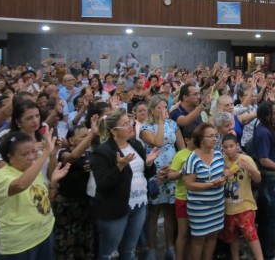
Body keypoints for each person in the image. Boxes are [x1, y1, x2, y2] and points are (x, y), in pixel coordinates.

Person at [90, 110, 159, 260]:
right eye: (125, 124)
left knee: (129, 250)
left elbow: (147, 173)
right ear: (114, 131)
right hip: (115, 207)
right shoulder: (103, 152)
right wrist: (119, 167)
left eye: (130, 122)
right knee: (107, 253)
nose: (130, 126)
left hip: (139, 203)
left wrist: (148, 163)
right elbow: (102, 185)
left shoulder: (135, 144)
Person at [0, 132, 70, 258]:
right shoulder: (0, 176)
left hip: (45, 233)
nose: (32, 157)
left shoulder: (33, 171)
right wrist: (45, 154)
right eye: (24, 154)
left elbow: (47, 201)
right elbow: (20, 185)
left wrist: (53, 182)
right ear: (9, 156)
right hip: (21, 243)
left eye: (33, 152)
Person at [140, 95, 184, 260]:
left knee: (169, 211)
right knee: (154, 211)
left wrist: (175, 164)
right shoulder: (146, 127)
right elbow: (157, 143)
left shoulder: (173, 124)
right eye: (159, 107)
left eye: (165, 107)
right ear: (152, 109)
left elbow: (182, 148)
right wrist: (159, 122)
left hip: (171, 169)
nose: (163, 110)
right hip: (155, 171)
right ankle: (151, 247)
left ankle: (169, 246)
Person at [54, 120, 99, 260]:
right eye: (83, 136)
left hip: (85, 204)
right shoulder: (63, 152)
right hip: (67, 205)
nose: (87, 139)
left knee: (85, 241)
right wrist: (91, 135)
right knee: (67, 244)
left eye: (88, 135)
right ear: (72, 140)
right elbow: (72, 158)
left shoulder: (90, 155)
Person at [184, 123, 230, 260]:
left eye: (215, 136)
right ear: (201, 138)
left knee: (213, 236)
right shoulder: (192, 158)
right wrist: (210, 185)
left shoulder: (218, 153)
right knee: (198, 239)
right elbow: (189, 184)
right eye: (210, 136)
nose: (214, 139)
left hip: (217, 204)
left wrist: (224, 177)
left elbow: (223, 172)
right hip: (199, 206)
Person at [252, 102, 275, 260]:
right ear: (266, 115)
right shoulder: (263, 132)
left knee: (268, 217)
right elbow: (264, 159)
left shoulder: (268, 128)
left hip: (273, 177)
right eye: (274, 113)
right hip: (269, 178)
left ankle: (266, 251)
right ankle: (268, 254)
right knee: (273, 218)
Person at [219, 134, 263, 260]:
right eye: (225, 147)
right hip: (228, 207)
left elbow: (258, 179)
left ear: (237, 145)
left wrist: (251, 169)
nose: (228, 149)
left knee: (252, 235)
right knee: (232, 237)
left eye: (231, 146)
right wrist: (223, 173)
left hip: (245, 206)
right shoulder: (221, 161)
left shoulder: (246, 159)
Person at [167, 125, 195, 260]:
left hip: (198, 197)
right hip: (183, 197)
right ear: (187, 140)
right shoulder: (181, 154)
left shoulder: (203, 152)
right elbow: (171, 176)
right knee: (183, 232)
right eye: (196, 138)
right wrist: (181, 172)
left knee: (195, 233)